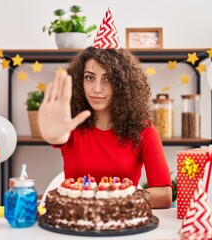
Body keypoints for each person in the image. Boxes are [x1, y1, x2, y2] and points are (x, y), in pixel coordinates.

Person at [38, 9, 172, 209]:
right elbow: (58, 136)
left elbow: (164, 195)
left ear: (122, 84)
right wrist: (51, 134)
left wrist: (114, 199)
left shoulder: (144, 130)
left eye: (107, 79)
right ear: (79, 81)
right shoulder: (72, 124)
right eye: (90, 77)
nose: (97, 89)